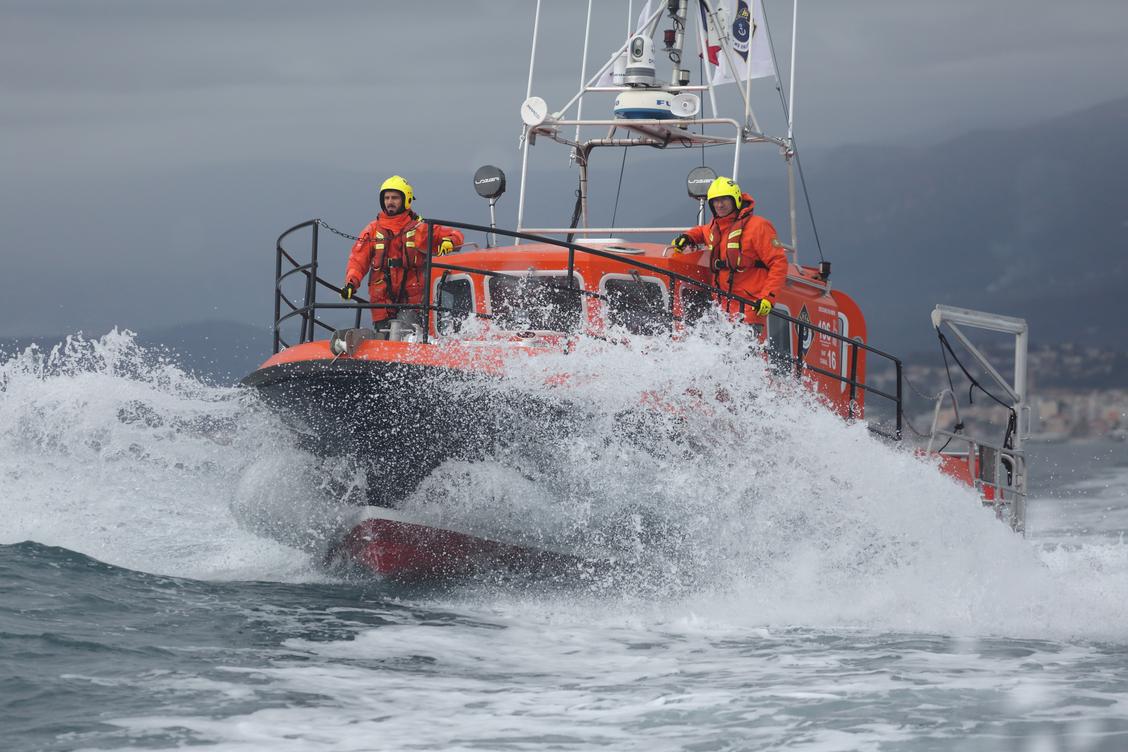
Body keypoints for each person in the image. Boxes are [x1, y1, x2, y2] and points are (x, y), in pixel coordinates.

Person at [340, 175, 464, 327]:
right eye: (386, 198)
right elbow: (358, 260)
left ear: (406, 199)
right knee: (383, 337)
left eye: (395, 198)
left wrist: (449, 241)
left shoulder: (420, 228)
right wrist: (351, 284)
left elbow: (456, 235)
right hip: (381, 304)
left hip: (412, 302)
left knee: (404, 330)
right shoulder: (372, 230)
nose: (390, 202)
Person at [669, 176, 787, 320]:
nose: (720, 205)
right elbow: (701, 231)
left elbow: (778, 263)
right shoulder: (716, 227)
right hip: (721, 308)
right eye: (715, 201)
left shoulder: (759, 226)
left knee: (747, 341)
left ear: (736, 199)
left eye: (724, 199)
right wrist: (688, 237)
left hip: (751, 306)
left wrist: (768, 297)